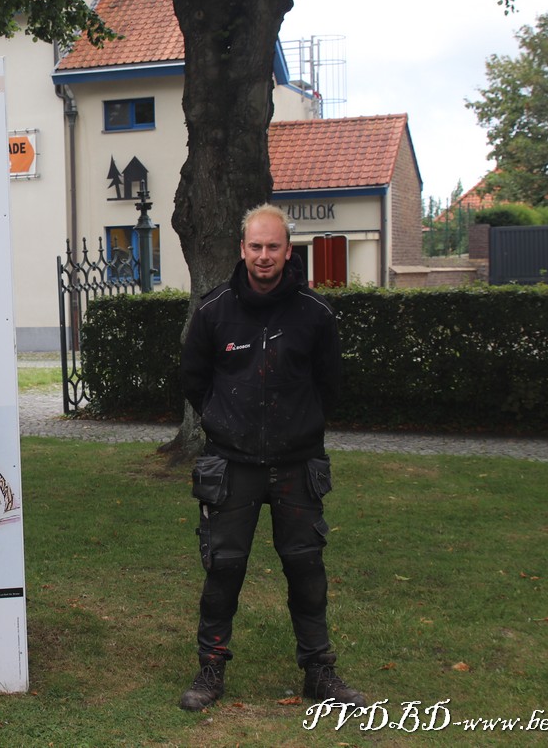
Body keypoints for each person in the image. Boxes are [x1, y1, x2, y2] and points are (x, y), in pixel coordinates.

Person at [177, 203, 365, 712]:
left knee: (307, 568)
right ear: (242, 249)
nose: (264, 256)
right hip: (231, 464)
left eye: (273, 247)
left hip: (298, 463)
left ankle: (320, 672)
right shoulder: (214, 311)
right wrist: (221, 420)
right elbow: (194, 379)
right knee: (223, 569)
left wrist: (298, 428)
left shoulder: (315, 313)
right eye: (255, 246)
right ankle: (210, 668)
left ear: (288, 250)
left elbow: (331, 386)